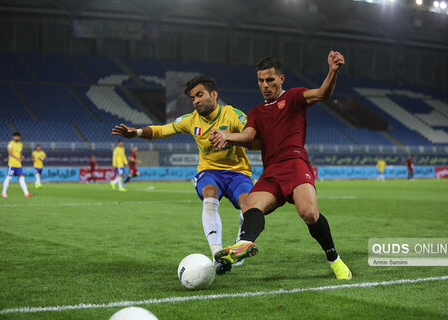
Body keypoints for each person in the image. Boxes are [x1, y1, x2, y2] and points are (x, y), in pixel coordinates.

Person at [209, 54, 352, 280]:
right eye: (260, 81)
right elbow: (249, 136)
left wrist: (333, 71)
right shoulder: (256, 112)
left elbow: (322, 93)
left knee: (309, 213)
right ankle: (244, 244)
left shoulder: (294, 97)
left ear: (281, 78)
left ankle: (334, 258)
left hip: (295, 163)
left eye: (270, 80)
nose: (265, 85)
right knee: (249, 205)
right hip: (272, 170)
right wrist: (227, 136)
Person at [112, 75, 255, 274]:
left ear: (214, 95)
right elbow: (162, 130)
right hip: (209, 171)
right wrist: (135, 132)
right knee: (209, 193)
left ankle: (239, 248)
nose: (196, 100)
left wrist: (230, 138)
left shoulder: (233, 115)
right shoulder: (190, 120)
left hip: (238, 172)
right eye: (192, 98)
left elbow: (251, 135)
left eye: (200, 95)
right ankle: (217, 253)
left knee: (249, 204)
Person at [1, 132, 34, 198]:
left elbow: (19, 153)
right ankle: (3, 193)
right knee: (9, 177)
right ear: (13, 137)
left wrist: (21, 156)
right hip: (12, 164)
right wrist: (18, 158)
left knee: (22, 178)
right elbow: (10, 153)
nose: (16, 137)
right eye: (15, 136)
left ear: (19, 137)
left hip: (18, 165)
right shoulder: (10, 144)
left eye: (17, 136)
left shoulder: (20, 144)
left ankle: (26, 193)